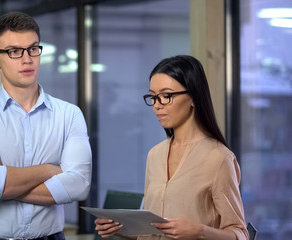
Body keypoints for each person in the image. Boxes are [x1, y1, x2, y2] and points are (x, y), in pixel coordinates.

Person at [0, 12, 92, 240]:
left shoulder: (69, 114)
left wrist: (6, 181)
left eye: (33, 49)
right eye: (14, 51)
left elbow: (79, 185)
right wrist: (50, 170)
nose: (27, 59)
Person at [94, 55, 248, 240]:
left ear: (193, 98)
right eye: (153, 97)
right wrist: (120, 229)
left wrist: (199, 231)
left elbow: (240, 234)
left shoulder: (218, 157)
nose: (157, 106)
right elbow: (151, 233)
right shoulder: (155, 155)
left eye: (166, 96)